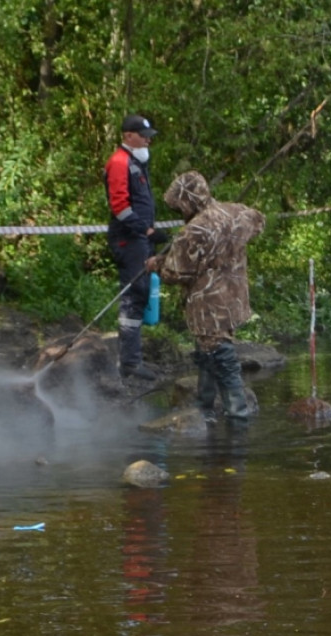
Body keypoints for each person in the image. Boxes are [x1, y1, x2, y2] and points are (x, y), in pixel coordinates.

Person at [148, 172, 265, 420]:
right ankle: (204, 407)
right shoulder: (238, 213)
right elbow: (259, 223)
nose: (179, 212)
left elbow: (175, 273)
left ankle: (238, 416)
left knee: (221, 357)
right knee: (207, 352)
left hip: (208, 306)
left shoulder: (193, 231)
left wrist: (158, 264)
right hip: (234, 298)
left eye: (179, 206)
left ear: (187, 201)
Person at [104, 114, 164, 382]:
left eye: (149, 137)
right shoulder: (119, 162)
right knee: (132, 295)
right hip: (129, 239)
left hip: (140, 238)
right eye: (144, 136)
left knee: (140, 294)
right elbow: (119, 207)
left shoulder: (135, 162)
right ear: (128, 136)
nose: (148, 141)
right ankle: (129, 363)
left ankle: (132, 358)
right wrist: (147, 231)